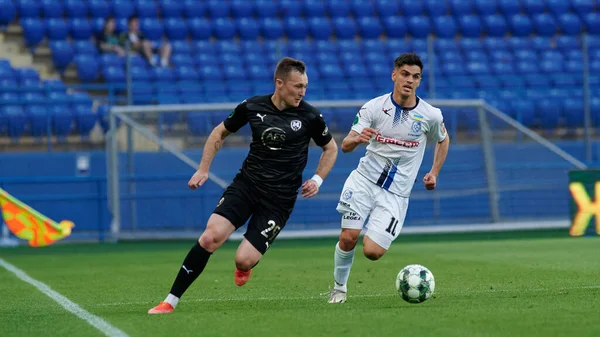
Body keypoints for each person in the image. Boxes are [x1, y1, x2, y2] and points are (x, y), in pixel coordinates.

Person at [148, 57, 338, 314]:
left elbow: (330, 147)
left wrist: (317, 179)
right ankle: (170, 301)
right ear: (279, 83)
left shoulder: (310, 115)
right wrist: (203, 169)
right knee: (210, 237)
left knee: (244, 258)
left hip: (279, 200)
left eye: (305, 86)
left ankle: (244, 267)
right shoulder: (252, 106)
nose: (302, 92)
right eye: (297, 86)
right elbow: (219, 133)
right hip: (247, 185)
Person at [327, 53, 450, 303]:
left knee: (372, 252)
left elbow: (443, 139)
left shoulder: (430, 115)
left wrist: (434, 171)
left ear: (419, 81)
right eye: (405, 74)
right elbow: (346, 145)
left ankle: (368, 247)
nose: (409, 80)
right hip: (363, 181)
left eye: (415, 77)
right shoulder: (373, 107)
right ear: (394, 75)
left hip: (396, 193)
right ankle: (339, 289)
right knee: (348, 237)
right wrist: (358, 139)